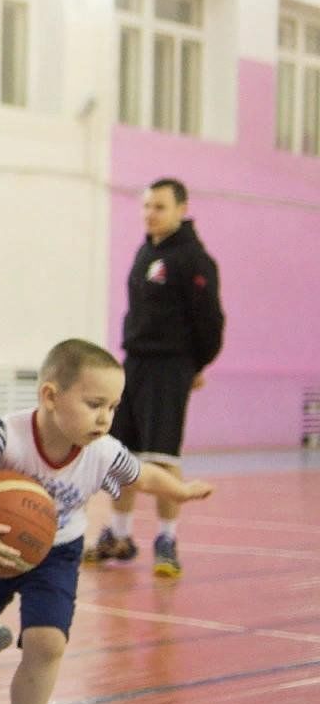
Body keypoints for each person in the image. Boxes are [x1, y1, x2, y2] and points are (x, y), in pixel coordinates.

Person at [0, 338, 212, 704]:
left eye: (113, 407)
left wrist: (179, 491)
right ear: (50, 395)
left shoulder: (103, 452)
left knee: (48, 643)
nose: (104, 417)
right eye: (94, 404)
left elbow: (144, 474)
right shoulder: (8, 433)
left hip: (57, 553)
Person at [85, 177, 224, 578]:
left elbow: (210, 321)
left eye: (159, 207)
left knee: (161, 458)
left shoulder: (194, 260)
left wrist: (196, 365)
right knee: (121, 454)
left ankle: (166, 539)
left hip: (170, 365)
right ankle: (120, 535)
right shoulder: (146, 251)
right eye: (146, 206)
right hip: (135, 364)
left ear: (181, 209)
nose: (150, 213)